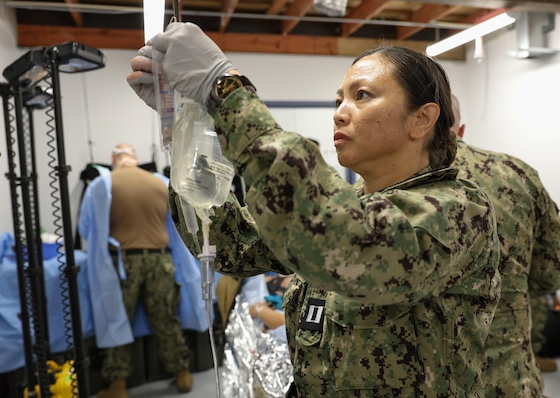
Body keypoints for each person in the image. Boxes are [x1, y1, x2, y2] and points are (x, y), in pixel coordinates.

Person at [127, 22, 501, 397]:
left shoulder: (458, 210)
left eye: (363, 95)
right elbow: (231, 245)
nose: (340, 112)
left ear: (422, 118)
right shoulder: (350, 206)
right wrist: (184, 132)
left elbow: (353, 247)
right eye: (339, 100)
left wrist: (225, 89)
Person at [451, 95, 560, 397]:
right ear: (460, 129)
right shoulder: (517, 173)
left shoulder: (385, 184)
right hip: (509, 377)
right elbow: (549, 274)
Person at [78, 143, 204, 398]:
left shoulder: (102, 185)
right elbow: (179, 227)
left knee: (117, 319)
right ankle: (182, 374)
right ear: (136, 159)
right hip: (160, 261)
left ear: (114, 159)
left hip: (123, 265)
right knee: (166, 319)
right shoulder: (161, 183)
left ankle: (118, 386)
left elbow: (86, 229)